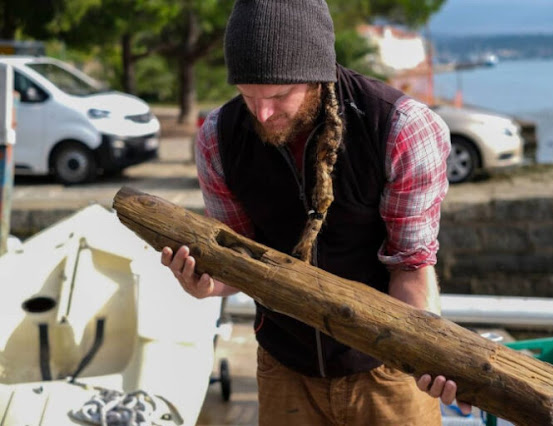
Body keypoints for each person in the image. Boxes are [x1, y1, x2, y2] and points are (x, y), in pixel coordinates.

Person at [161, 0, 471, 424]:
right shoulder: (218, 138)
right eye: (248, 95)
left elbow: (409, 266)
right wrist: (207, 283)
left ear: (318, 73)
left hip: (384, 369)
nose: (263, 114)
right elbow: (237, 259)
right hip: (284, 367)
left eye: (278, 95)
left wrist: (429, 354)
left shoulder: (400, 129)